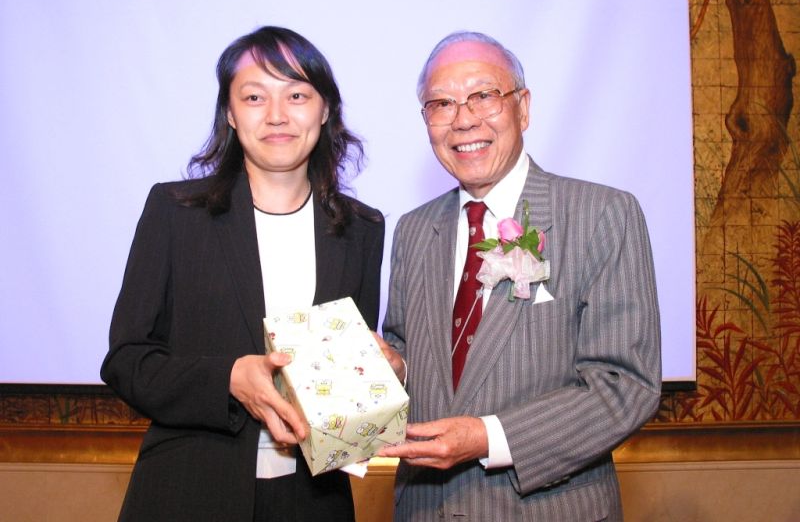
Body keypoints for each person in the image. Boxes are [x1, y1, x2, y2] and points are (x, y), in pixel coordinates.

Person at [101, 26, 385, 522]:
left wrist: (382, 373)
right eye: (254, 97)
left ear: (324, 110)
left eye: (297, 95)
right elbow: (127, 361)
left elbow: (347, 375)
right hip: (187, 494)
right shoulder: (175, 212)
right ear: (230, 114)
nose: (276, 115)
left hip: (314, 502)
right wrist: (228, 379)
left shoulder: (361, 228)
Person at [377, 31, 661, 521]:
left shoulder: (602, 214)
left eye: (483, 96)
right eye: (441, 104)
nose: (463, 119)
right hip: (426, 507)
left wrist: (488, 437)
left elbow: (625, 385)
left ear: (523, 108)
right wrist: (395, 368)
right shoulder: (414, 229)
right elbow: (410, 350)